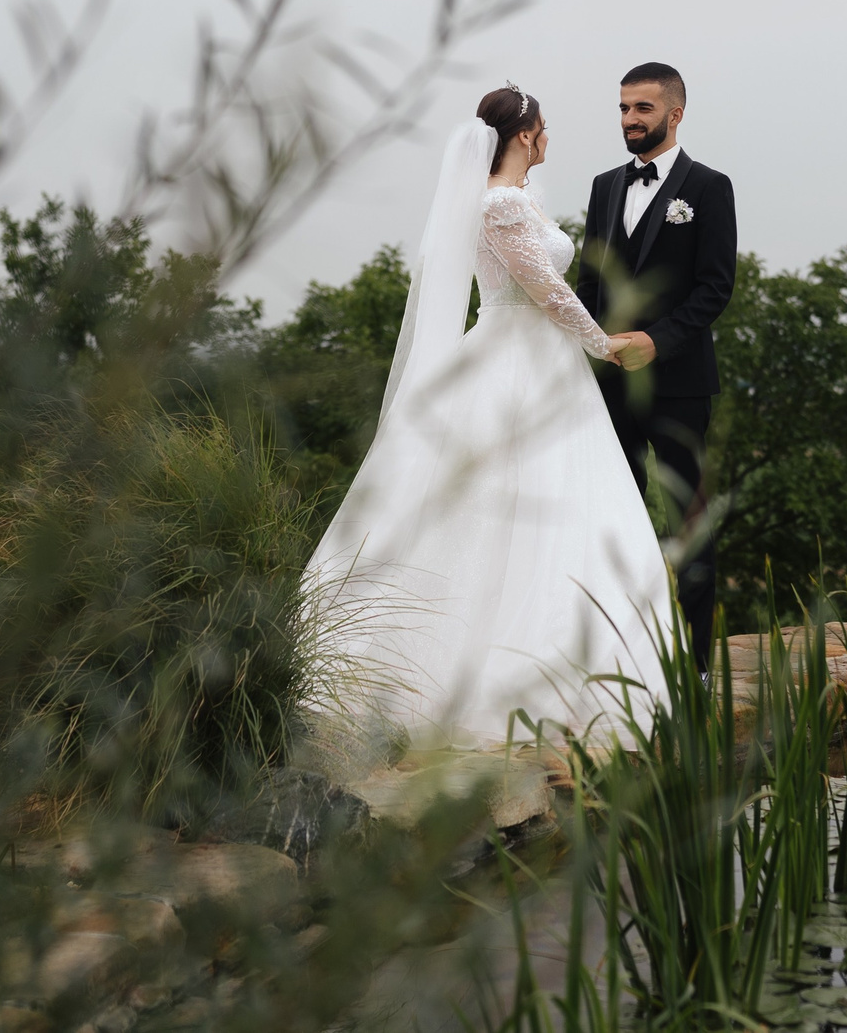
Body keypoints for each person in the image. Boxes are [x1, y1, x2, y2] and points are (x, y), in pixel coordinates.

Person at [300, 86, 674, 752]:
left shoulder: (519, 198)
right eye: (544, 127)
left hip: (542, 361)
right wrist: (602, 342)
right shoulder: (500, 203)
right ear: (526, 135)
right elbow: (542, 287)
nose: (550, 137)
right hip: (515, 357)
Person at [574, 63, 737, 665]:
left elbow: (715, 288)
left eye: (642, 108)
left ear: (676, 112)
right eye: (623, 108)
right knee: (608, 518)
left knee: (687, 522)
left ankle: (694, 664)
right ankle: (619, 656)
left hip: (679, 387)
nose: (629, 120)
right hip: (608, 385)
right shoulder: (603, 185)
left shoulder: (710, 187)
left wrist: (657, 341)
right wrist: (587, 345)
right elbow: (590, 282)